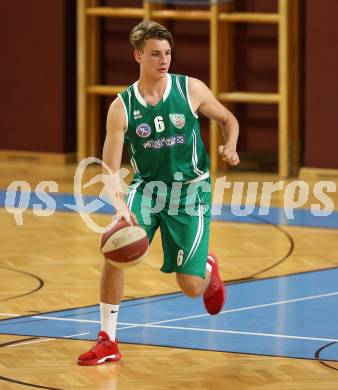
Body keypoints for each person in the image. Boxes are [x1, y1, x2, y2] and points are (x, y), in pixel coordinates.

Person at [78, 20, 239, 366]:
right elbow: (108, 169)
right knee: (113, 249)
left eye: (167, 53)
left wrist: (231, 146)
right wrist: (121, 207)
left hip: (191, 193)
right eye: (155, 54)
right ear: (138, 56)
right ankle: (108, 339)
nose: (163, 60)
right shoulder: (122, 107)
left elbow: (229, 120)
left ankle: (208, 268)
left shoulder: (190, 89)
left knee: (191, 287)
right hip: (147, 189)